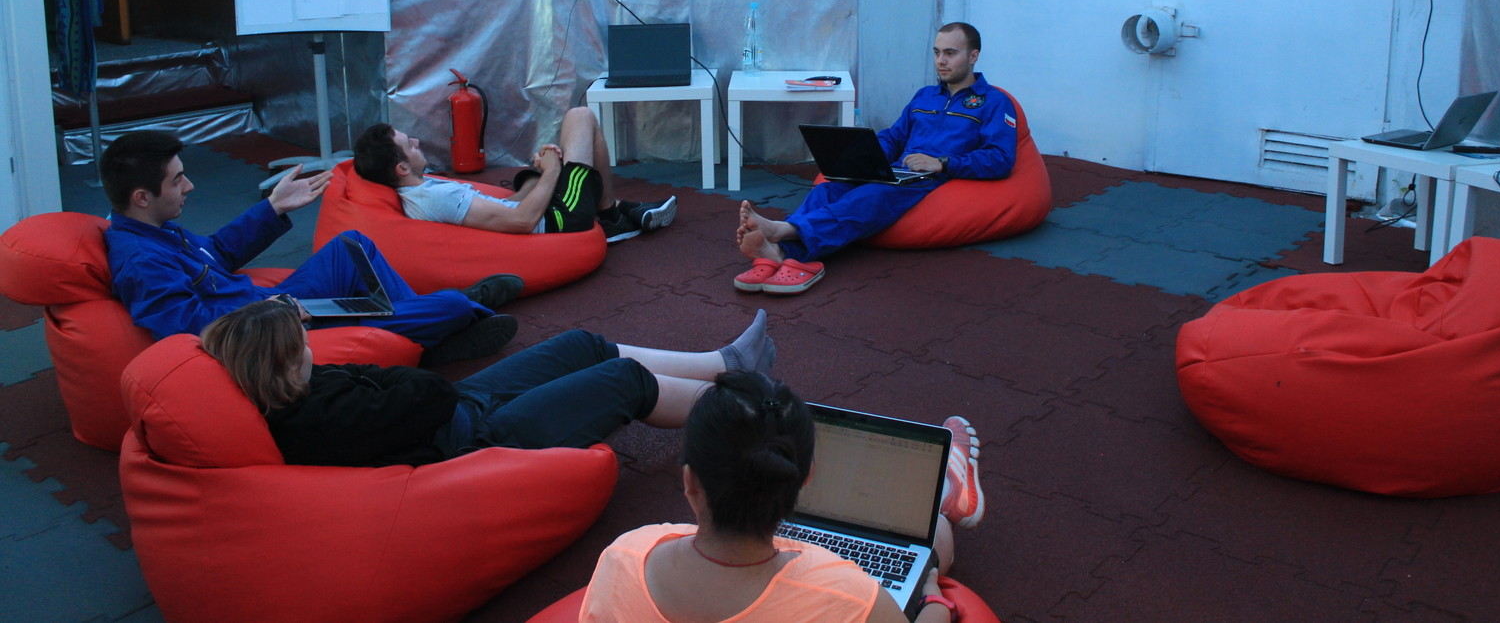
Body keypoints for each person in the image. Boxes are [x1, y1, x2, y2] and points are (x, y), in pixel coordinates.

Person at [578, 371, 985, 622]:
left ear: (690, 481)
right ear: (805, 479)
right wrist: (936, 604)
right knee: (935, 537)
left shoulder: (625, 555)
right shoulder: (852, 598)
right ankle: (947, 493)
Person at [100, 130, 521, 367]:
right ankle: (454, 314)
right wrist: (276, 312)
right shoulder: (141, 261)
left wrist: (273, 207)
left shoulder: (154, 230)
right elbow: (187, 328)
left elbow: (216, 254)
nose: (189, 186)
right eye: (177, 180)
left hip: (269, 301)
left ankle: (427, 325)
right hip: (271, 323)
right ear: (142, 197)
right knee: (450, 305)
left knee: (351, 245)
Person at [199, 298, 777, 467]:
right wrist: (390, 383)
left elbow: (411, 391)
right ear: (280, 363)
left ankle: (724, 362)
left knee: (578, 345)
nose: (310, 343)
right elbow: (424, 391)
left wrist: (388, 383)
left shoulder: (305, 385)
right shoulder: (320, 419)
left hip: (457, 408)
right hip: (475, 442)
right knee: (623, 379)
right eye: (299, 340)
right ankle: (759, 414)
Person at [734, 22, 1015, 294]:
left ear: (973, 56)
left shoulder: (994, 102)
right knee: (830, 188)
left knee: (872, 196)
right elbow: (895, 136)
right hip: (898, 169)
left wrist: (942, 163)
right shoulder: (925, 96)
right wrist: (866, 153)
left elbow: (1000, 158)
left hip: (931, 177)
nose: (941, 61)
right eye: (937, 52)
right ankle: (781, 253)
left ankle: (782, 232)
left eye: (950, 53)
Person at [353, 106, 676, 244]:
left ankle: (613, 211)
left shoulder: (421, 189)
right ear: (401, 168)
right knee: (581, 116)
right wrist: (553, 169)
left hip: (545, 212)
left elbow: (508, 208)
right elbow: (522, 221)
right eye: (408, 145)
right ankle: (611, 215)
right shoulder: (436, 197)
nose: (416, 141)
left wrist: (537, 178)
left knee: (572, 131)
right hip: (559, 219)